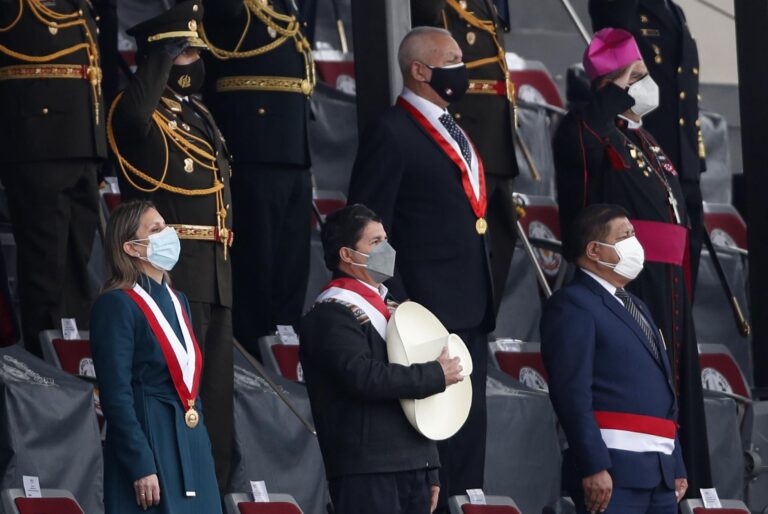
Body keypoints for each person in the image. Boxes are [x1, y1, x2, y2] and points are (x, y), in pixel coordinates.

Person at [553, 28, 711, 490]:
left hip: (671, 282)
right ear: (611, 87)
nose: (648, 83)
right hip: (629, 280)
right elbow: (579, 147)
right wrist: (606, 95)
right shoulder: (589, 131)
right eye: (636, 76)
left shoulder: (644, 138)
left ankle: (681, 479)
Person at [348, 26, 494, 512]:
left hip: (470, 304)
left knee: (469, 436)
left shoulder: (457, 127)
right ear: (419, 69)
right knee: (436, 440)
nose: (462, 66)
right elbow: (370, 221)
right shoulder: (390, 130)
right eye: (452, 58)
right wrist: (398, 296)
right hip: (424, 309)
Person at [108, 0, 234, 491]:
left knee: (217, 406)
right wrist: (160, 58)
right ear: (159, 57)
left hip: (216, 270)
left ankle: (214, 493)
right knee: (186, 399)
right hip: (176, 272)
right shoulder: (138, 110)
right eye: (184, 53)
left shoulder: (198, 113)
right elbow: (135, 117)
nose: (194, 62)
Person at [300, 203, 464, 514]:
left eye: (386, 240)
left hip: (412, 464)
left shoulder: (394, 307)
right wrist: (434, 374)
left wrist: (430, 466)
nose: (386, 249)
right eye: (375, 242)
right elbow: (363, 377)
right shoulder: (331, 312)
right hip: (366, 469)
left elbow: (415, 405)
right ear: (346, 255)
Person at [541, 204, 687, 514]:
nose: (636, 244)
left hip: (659, 474)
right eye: (625, 236)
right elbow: (572, 394)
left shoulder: (637, 306)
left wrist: (675, 461)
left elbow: (663, 391)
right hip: (613, 472)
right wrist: (593, 465)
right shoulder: (572, 305)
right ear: (594, 250)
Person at [90, 200, 221, 514]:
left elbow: (189, 378)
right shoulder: (117, 304)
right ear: (133, 248)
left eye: (167, 226)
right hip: (151, 435)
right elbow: (116, 394)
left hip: (190, 439)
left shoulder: (179, 300)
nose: (169, 234)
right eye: (156, 229)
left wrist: (201, 443)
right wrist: (139, 463)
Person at [201, 0, 315, 354]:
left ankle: (284, 346)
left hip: (293, 150)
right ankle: (251, 348)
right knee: (256, 263)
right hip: (252, 147)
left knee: (292, 264)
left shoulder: (285, 6)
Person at [0, 0, 106, 356]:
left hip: (83, 142)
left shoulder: (79, 6)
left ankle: (75, 358)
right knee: (45, 268)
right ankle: (46, 363)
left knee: (78, 265)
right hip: (36, 144)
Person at [589, 0, 706, 289]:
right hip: (638, 155)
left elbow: (685, 91)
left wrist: (693, 160)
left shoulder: (674, 11)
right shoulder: (626, 7)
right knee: (647, 282)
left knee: (685, 274)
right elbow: (612, 49)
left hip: (681, 159)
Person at [411, 0, 519, 312]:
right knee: (466, 241)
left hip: (496, 141)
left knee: (500, 238)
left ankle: (483, 323)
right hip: (464, 133)